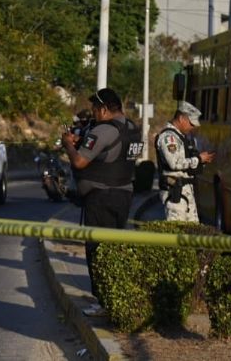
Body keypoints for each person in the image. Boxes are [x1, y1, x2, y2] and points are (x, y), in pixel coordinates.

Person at [61, 88, 142, 316]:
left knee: (97, 249)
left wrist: (68, 144)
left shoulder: (104, 129)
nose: (94, 114)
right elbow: (112, 152)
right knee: (114, 248)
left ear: (104, 109)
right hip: (124, 195)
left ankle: (104, 302)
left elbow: (79, 162)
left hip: (102, 198)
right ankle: (113, 299)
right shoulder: (132, 128)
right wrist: (83, 141)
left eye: (95, 109)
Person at [156, 102, 215, 222]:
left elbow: (185, 163)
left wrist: (201, 162)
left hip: (186, 191)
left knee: (192, 230)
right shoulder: (169, 137)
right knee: (177, 230)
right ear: (181, 118)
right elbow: (174, 163)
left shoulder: (181, 137)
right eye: (191, 123)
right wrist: (198, 159)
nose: (193, 127)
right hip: (175, 194)